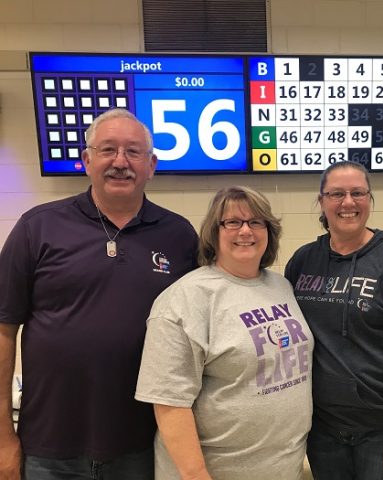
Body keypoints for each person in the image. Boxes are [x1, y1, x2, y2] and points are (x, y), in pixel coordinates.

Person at [0, 108, 199, 480]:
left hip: (143, 444)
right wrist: (2, 438)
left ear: (151, 165)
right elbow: (3, 330)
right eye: (108, 149)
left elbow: (197, 337)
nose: (120, 162)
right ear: (87, 160)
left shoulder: (179, 235)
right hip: (49, 446)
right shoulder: (37, 227)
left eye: (133, 152)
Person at [135, 186, 313, 480]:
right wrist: (196, 475)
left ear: (269, 231)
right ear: (213, 232)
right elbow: (169, 402)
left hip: (283, 468)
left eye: (256, 222)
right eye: (232, 222)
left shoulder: (280, 286)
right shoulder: (184, 299)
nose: (246, 231)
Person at [284, 161, 383, 480]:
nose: (348, 202)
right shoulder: (303, 261)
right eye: (337, 194)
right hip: (323, 431)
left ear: (369, 199)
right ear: (321, 201)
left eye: (358, 193)